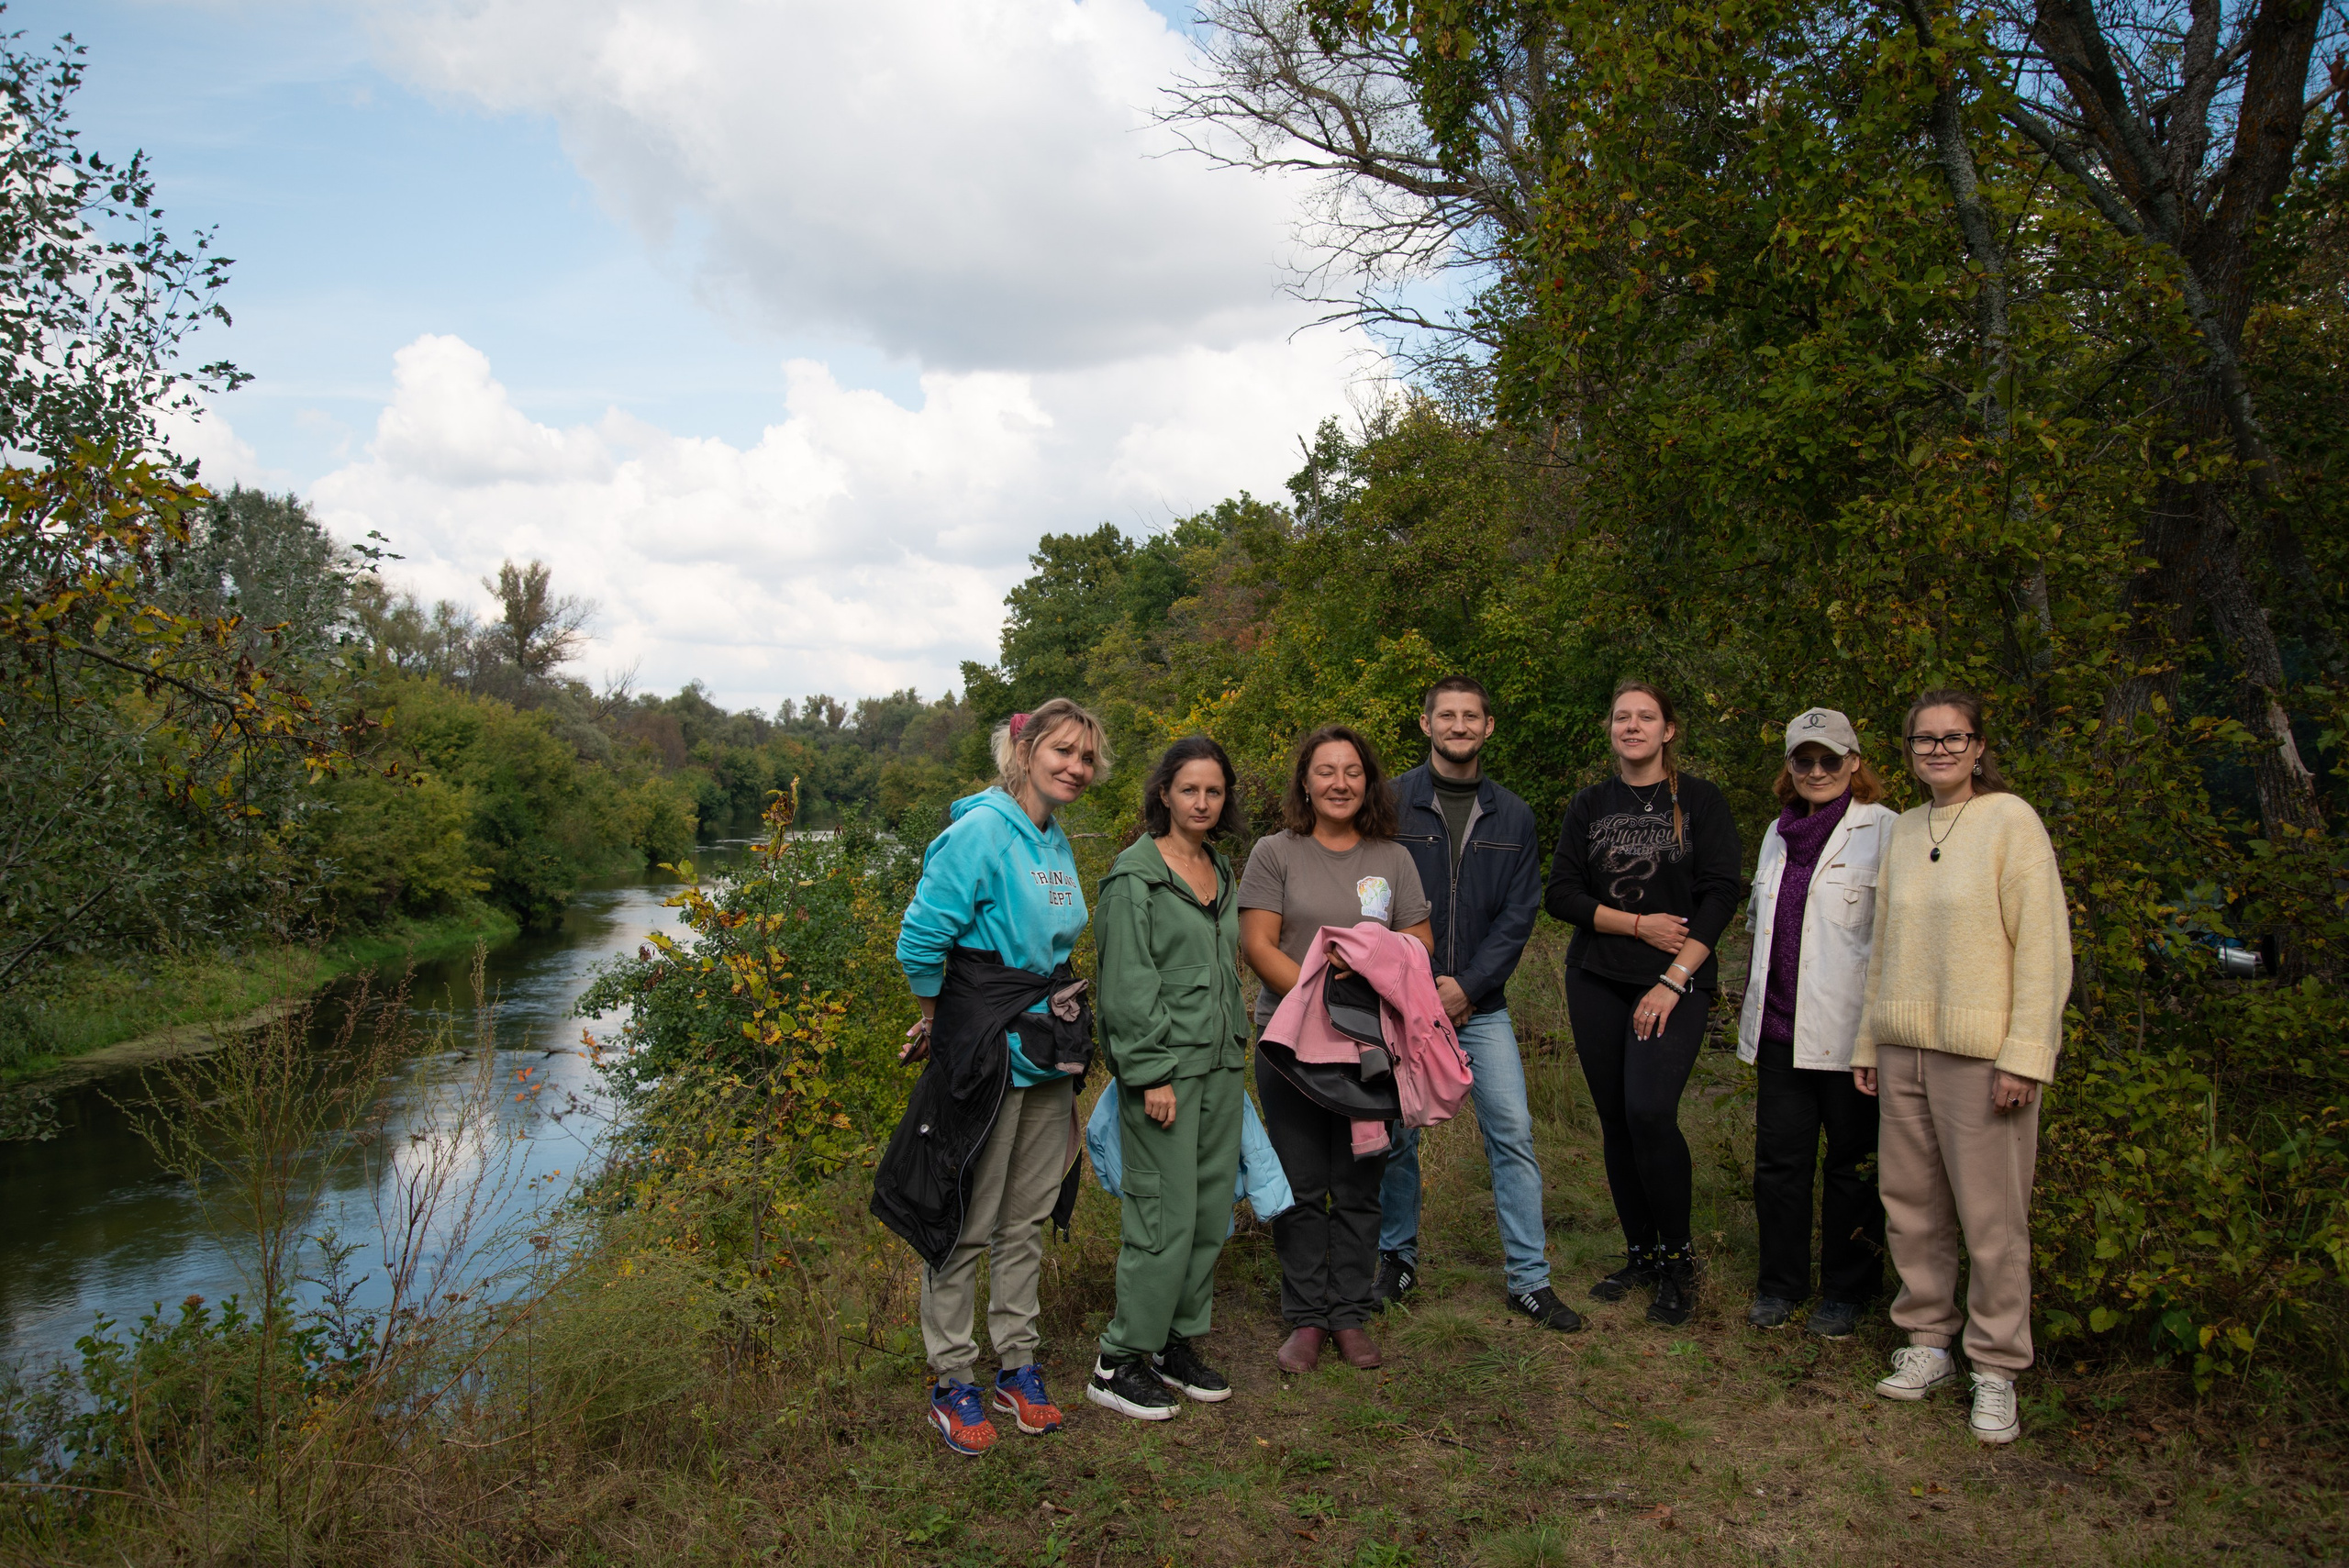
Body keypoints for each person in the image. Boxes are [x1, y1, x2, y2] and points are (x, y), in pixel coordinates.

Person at [871, 698, 1110, 1456]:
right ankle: (951, 1377)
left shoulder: (1055, 838)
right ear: (1026, 748)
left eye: (1086, 756)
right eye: (1062, 751)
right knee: (968, 1215)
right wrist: (943, 1019)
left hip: (1046, 1047)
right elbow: (922, 938)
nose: (1076, 766)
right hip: (989, 1048)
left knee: (1027, 1212)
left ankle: (1017, 1363)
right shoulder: (979, 830)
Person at [1854, 689, 2071, 1446]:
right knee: (1911, 1204)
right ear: (1908, 751)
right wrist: (1867, 1043)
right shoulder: (1907, 829)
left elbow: (2043, 948)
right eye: (1924, 740)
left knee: (1992, 1218)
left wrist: (2025, 1054)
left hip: (1984, 1057)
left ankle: (1998, 1365)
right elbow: (1883, 947)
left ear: (1979, 747)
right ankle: (1926, 1341)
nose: (1939, 750)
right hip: (1903, 1047)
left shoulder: (2012, 821)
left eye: (1954, 738)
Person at [1379, 675, 1577, 1330]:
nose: (1459, 725)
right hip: (1406, 1003)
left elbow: (1520, 913)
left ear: (1488, 726)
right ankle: (1395, 1259)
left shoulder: (1514, 814)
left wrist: (1466, 987)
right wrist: (1416, 986)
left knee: (1513, 1134)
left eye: (1471, 716)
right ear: (1425, 723)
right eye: (1447, 715)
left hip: (1480, 1006)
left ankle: (1529, 1278)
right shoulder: (1390, 803)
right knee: (1395, 1134)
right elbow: (1373, 897)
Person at [1544, 680, 1742, 1326]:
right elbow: (1562, 894)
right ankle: (1641, 1253)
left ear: (1668, 730)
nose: (1632, 726)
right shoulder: (1590, 803)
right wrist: (1636, 926)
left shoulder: (1701, 801)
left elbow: (1719, 894)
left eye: (1645, 717)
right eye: (1621, 716)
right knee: (1617, 1119)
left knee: (1651, 1109)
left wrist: (1674, 975)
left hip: (1675, 980)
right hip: (1597, 975)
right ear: (1611, 728)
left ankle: (1679, 1260)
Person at [1240, 725, 1433, 1373]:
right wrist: (1321, 1002)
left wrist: (1372, 974)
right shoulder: (1275, 853)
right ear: (1305, 782)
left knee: (1358, 1183)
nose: (1340, 782)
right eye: (1326, 770)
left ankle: (1349, 1313)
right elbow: (1260, 945)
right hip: (1290, 1045)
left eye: (1352, 770)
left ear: (1368, 781)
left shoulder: (1393, 859)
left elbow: (1420, 944)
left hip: (1371, 1051)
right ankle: (1305, 1319)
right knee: (1300, 1183)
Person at [1086, 736, 1252, 1421]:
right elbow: (1126, 982)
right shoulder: (1136, 875)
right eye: (1190, 789)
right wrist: (1150, 1071)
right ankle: (1118, 1358)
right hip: (1165, 1073)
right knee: (1162, 1212)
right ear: (1164, 793)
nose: (1203, 802)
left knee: (1211, 1210)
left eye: (1214, 791)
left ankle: (1173, 1342)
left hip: (1220, 1067)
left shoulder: (1220, 867)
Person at [1733, 707, 1896, 1338]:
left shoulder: (1884, 831)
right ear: (1790, 767)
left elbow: (1893, 943)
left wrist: (1878, 1039)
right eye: (1805, 759)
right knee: (1779, 1164)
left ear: (1855, 763)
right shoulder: (1778, 833)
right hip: (1780, 1032)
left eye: (1831, 758)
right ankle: (1780, 1283)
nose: (1818, 770)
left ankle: (1848, 1291)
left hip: (1851, 1038)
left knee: (1853, 1167)